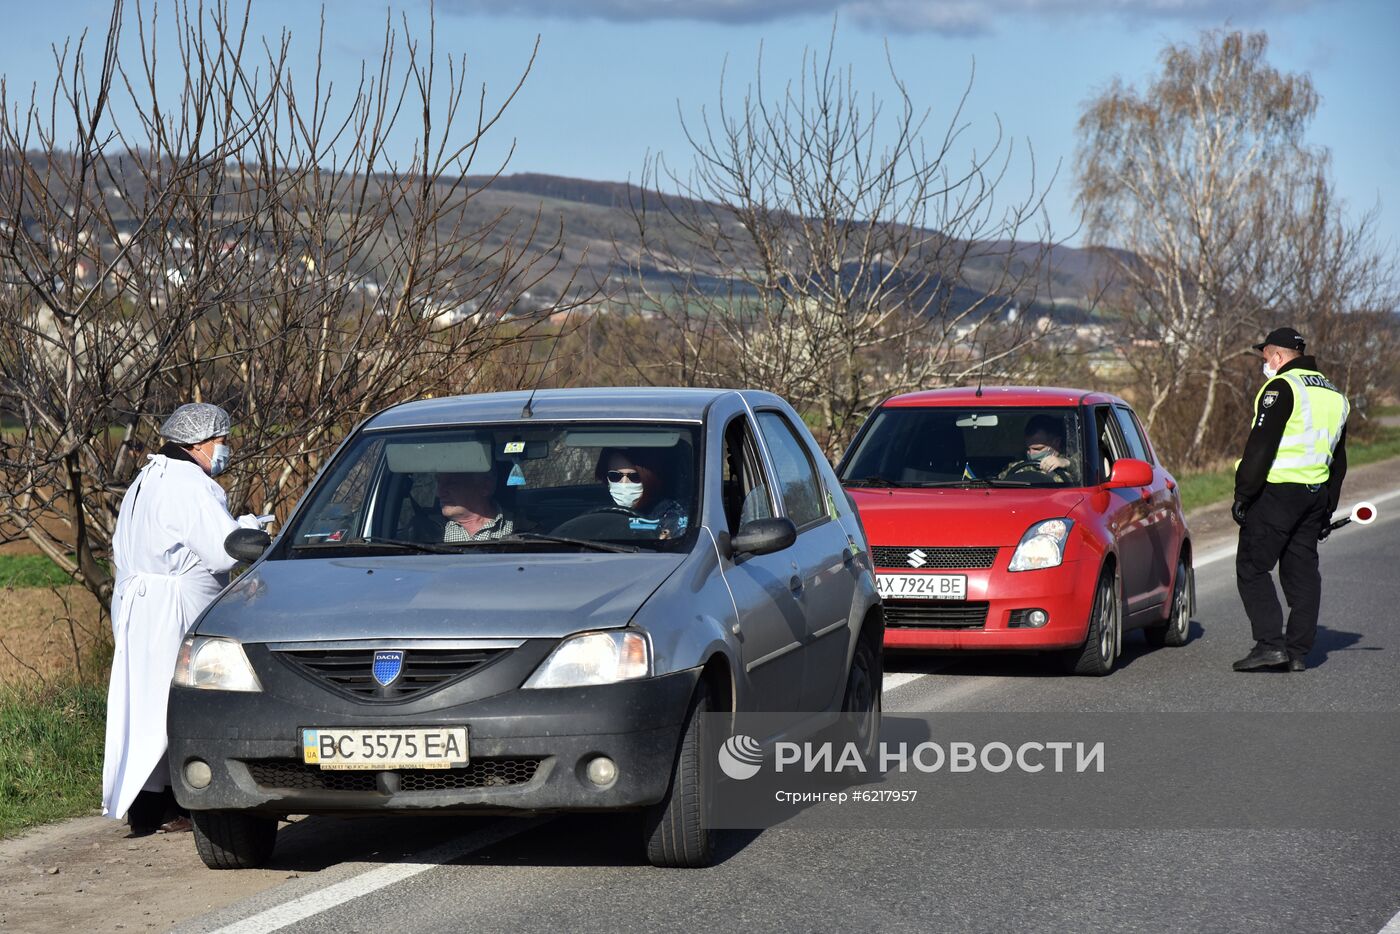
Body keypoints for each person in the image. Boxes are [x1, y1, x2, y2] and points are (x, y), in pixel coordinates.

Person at [103, 403, 263, 835]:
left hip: (136, 603)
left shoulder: (147, 478)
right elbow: (221, 548)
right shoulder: (191, 484)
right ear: (198, 443)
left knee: (143, 702)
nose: (225, 449)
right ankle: (183, 799)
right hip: (173, 606)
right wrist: (251, 526)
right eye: (221, 441)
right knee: (180, 701)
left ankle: (145, 804)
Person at [1231, 327, 1349, 673]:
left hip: (1277, 492)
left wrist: (1244, 494)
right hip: (1315, 494)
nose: (1264, 364)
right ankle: (1298, 651)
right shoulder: (1334, 394)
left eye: (1265, 357)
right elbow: (1338, 460)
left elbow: (1261, 446)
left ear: (1278, 356)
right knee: (1302, 573)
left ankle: (1270, 645)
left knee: (1252, 567)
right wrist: (1328, 506)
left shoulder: (1282, 387)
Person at [595, 447, 688, 539]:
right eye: (614, 476)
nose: (624, 484)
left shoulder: (670, 514)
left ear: (648, 478)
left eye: (634, 477)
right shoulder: (598, 510)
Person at [435, 468, 514, 541]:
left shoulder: (519, 527)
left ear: (485, 486)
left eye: (451, 483)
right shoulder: (428, 530)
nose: (439, 493)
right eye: (438, 482)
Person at [1000, 415, 1075, 484]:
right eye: (1028, 449)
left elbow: (1082, 472)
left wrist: (1068, 463)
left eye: (1038, 449)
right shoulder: (1016, 467)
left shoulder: (1071, 465)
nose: (1031, 453)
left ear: (1056, 442)